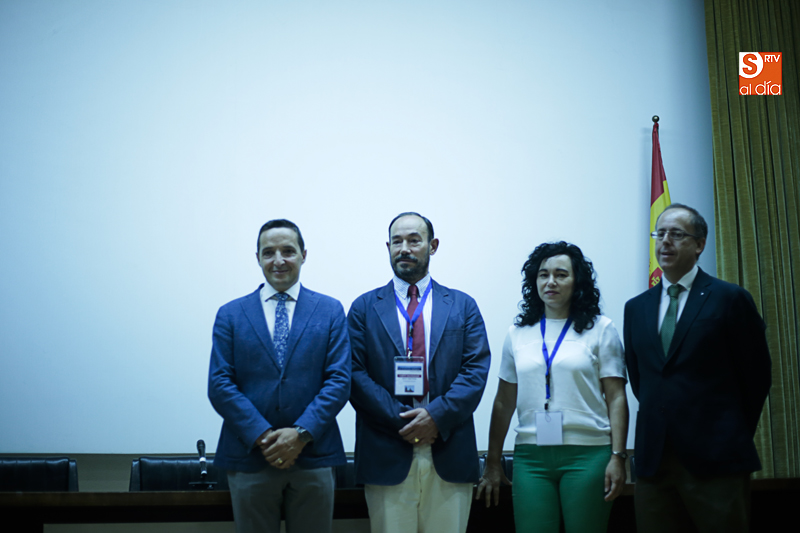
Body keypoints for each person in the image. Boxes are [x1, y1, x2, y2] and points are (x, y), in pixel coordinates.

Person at [624, 203, 771, 532]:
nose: (665, 242)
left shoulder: (729, 299)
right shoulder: (636, 308)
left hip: (717, 459)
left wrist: (726, 431)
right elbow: (642, 380)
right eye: (659, 234)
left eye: (676, 235)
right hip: (653, 461)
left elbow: (757, 377)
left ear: (700, 243)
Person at [348, 212, 491, 533]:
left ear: (433, 245)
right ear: (387, 246)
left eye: (414, 240)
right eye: (397, 241)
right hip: (386, 449)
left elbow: (475, 370)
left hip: (449, 448)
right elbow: (354, 375)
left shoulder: (462, 305)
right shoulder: (363, 307)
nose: (404, 248)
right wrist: (404, 421)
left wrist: (436, 417)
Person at [208, 219, 351, 533]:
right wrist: (264, 436)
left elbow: (339, 380)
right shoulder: (230, 314)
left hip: (313, 453)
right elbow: (219, 384)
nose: (278, 260)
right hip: (250, 457)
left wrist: (299, 434)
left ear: (303, 254)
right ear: (257, 258)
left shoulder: (330, 310)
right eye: (268, 252)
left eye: (288, 250)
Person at [476, 241, 629, 533]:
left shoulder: (601, 328)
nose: (551, 281)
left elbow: (616, 397)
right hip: (531, 458)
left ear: (577, 282)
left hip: (588, 454)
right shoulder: (518, 333)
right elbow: (504, 402)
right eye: (543, 274)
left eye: (561, 274)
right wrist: (493, 461)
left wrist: (617, 456)